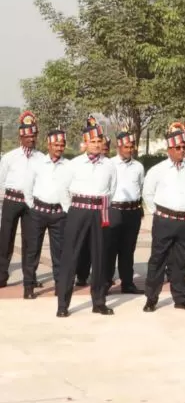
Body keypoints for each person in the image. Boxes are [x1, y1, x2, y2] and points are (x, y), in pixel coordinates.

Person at [56, 116, 116, 318]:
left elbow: (112, 190)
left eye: (100, 141)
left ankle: (99, 301)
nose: (97, 145)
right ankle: (63, 304)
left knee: (99, 258)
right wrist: (71, 210)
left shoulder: (109, 165)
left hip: (99, 212)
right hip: (78, 210)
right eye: (93, 141)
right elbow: (63, 190)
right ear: (85, 143)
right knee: (70, 258)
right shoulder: (74, 165)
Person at [142, 125, 185, 312]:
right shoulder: (157, 170)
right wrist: (158, 213)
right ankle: (151, 298)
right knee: (158, 260)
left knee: (180, 262)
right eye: (178, 148)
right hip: (164, 221)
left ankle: (180, 298)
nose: (183, 151)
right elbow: (148, 194)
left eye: (184, 147)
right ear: (169, 149)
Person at [21, 127, 70, 299]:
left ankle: (59, 285)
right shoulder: (37, 163)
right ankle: (28, 287)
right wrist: (32, 206)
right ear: (48, 145)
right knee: (32, 251)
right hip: (38, 213)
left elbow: (70, 191)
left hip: (59, 214)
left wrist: (66, 210)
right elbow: (27, 187)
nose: (59, 148)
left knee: (59, 252)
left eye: (62, 145)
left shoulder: (68, 166)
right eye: (56, 144)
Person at [0, 111, 46, 289]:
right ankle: (2, 276)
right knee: (5, 240)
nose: (31, 139)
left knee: (31, 241)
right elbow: (1, 181)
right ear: (21, 136)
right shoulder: (9, 157)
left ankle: (30, 277)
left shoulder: (42, 158)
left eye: (34, 136)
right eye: (28, 136)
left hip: (31, 203)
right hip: (11, 200)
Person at [106, 130, 144, 294]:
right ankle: (106, 282)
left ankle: (127, 283)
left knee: (128, 250)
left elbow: (141, 187)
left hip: (132, 211)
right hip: (114, 210)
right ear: (118, 146)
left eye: (132, 147)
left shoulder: (138, 166)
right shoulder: (109, 164)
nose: (130, 150)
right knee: (110, 249)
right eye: (126, 147)